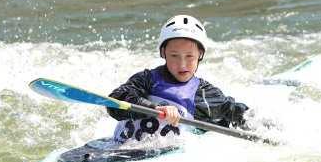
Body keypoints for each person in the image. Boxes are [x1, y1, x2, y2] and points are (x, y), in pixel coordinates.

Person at [106, 14, 249, 142]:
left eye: (189, 56)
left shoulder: (204, 93)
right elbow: (114, 102)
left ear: (200, 54)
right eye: (174, 55)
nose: (182, 64)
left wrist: (255, 122)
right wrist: (155, 108)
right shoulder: (146, 79)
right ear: (163, 52)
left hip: (163, 153)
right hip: (118, 147)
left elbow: (235, 113)